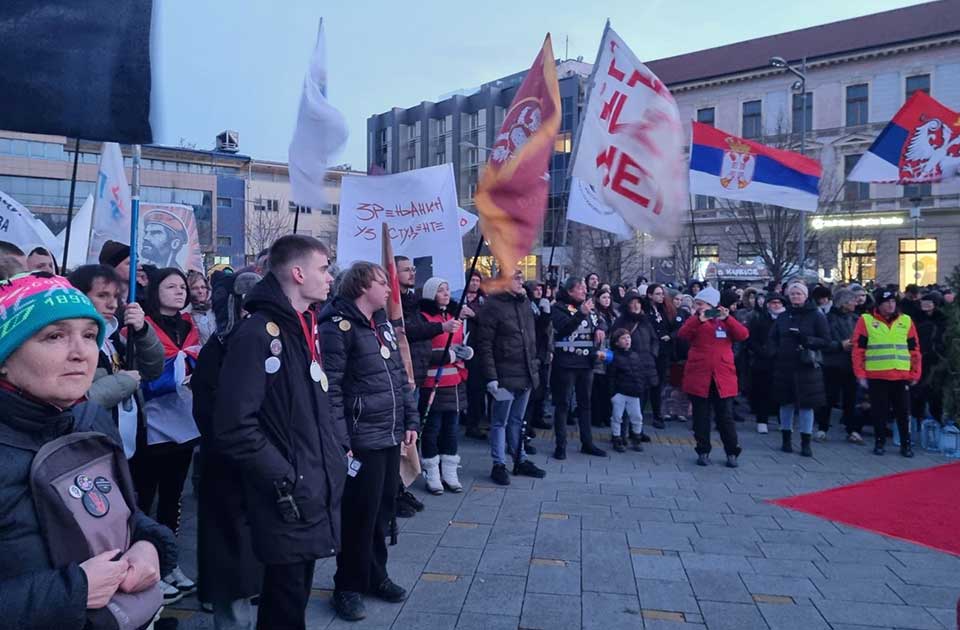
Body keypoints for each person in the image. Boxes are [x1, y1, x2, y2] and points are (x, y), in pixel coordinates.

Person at [0, 272, 176, 629]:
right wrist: (72, 591)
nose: (81, 353)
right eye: (54, 336)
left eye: (90, 335)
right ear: (5, 357)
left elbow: (120, 512)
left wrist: (150, 545)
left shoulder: (90, 418)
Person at [212, 235, 345, 630]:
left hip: (308, 485)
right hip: (285, 493)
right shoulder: (259, 334)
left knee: (292, 597)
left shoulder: (303, 327)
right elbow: (234, 426)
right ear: (298, 272)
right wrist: (286, 476)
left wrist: (334, 456)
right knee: (285, 603)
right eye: (324, 269)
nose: (330, 278)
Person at [319, 261, 419, 622]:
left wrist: (411, 419)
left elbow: (399, 376)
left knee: (382, 512)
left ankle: (377, 575)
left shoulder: (382, 323)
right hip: (362, 439)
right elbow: (331, 389)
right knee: (358, 517)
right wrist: (342, 439)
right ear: (363, 286)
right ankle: (347, 586)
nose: (389, 289)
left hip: (389, 433)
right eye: (382, 282)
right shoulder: (336, 326)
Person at [192, 270, 263, 630]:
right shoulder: (218, 349)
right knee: (229, 545)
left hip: (263, 465)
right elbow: (210, 412)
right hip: (228, 463)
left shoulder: (270, 343)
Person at [133, 267, 201, 598]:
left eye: (183, 287)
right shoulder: (140, 325)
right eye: (171, 286)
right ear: (155, 289)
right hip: (150, 425)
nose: (179, 291)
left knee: (173, 496)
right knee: (145, 496)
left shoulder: (189, 326)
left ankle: (169, 561)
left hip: (184, 422)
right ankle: (145, 565)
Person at [67, 265, 164, 461]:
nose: (112, 304)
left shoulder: (113, 339)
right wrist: (123, 383)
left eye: (115, 296)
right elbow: (71, 403)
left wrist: (143, 331)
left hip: (129, 446)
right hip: (92, 450)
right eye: (102, 295)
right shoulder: (69, 345)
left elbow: (152, 369)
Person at [477, 271, 547, 485]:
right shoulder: (492, 306)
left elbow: (533, 336)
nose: (521, 282)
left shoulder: (524, 302)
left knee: (518, 420)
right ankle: (499, 464)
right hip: (503, 373)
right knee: (500, 422)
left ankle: (519, 458)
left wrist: (545, 314)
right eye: (516, 278)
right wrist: (491, 376)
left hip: (525, 371)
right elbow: (485, 344)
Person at [678, 287, 748, 467]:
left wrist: (728, 318)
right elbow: (682, 335)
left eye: (701, 304)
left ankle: (732, 451)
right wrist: (698, 319)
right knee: (701, 417)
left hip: (722, 377)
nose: (699, 307)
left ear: (712, 305)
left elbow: (742, 335)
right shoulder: (696, 321)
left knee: (725, 417)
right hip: (699, 376)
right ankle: (703, 450)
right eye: (697, 304)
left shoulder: (724, 321)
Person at [414, 277, 469, 495]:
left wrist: (465, 352)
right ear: (431, 294)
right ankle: (432, 472)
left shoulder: (455, 316)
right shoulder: (424, 318)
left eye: (447, 289)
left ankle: (450, 472)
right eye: (441, 290)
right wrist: (448, 355)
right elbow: (422, 352)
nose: (446, 294)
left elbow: (460, 342)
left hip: (455, 382)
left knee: (452, 430)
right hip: (432, 382)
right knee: (432, 429)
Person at [852, 288, 922, 457]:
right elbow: (858, 349)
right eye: (886, 302)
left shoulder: (906, 321)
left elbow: (914, 349)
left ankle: (906, 445)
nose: (890, 305)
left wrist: (915, 373)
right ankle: (879, 442)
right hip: (877, 374)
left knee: (903, 412)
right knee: (879, 412)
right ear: (879, 304)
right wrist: (860, 374)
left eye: (893, 302)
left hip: (901, 375)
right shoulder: (866, 320)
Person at [769, 282, 829, 457]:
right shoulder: (783, 316)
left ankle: (805, 442)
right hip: (784, 366)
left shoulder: (816, 316)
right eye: (792, 294)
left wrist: (806, 340)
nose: (795, 296)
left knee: (806, 406)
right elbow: (773, 337)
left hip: (807, 366)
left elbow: (826, 340)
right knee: (785, 403)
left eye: (798, 294)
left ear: (805, 296)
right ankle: (786, 440)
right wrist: (774, 352)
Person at [551, 277, 606, 459]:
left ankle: (587, 442)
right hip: (566, 363)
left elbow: (601, 318)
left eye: (584, 288)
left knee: (585, 404)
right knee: (563, 404)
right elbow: (564, 328)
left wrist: (600, 326)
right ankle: (561, 445)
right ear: (570, 291)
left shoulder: (589, 307)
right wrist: (581, 313)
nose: (584, 291)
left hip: (586, 363)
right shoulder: (558, 307)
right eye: (580, 288)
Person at [611, 290, 659, 440]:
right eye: (632, 303)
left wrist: (653, 354)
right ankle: (621, 433)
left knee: (641, 400)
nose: (636, 306)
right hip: (628, 365)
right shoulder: (621, 321)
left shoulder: (645, 320)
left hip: (646, 365)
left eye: (638, 302)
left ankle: (636, 430)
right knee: (625, 402)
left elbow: (654, 339)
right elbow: (615, 341)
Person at [817, 288, 862, 443]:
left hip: (852, 364)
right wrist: (839, 345)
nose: (855, 303)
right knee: (829, 397)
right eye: (852, 300)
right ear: (843, 303)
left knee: (852, 398)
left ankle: (852, 429)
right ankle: (822, 428)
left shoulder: (857, 319)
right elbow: (823, 342)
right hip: (833, 364)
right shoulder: (827, 319)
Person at [606, 328, 655, 452]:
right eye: (623, 338)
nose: (627, 340)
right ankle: (617, 439)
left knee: (637, 417)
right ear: (616, 342)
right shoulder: (614, 357)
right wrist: (613, 394)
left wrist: (641, 387)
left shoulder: (635, 355)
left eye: (628, 337)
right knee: (617, 417)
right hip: (620, 393)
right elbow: (611, 376)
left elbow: (640, 372)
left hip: (634, 393)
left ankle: (636, 439)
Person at [747, 292, 783, 434]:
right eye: (773, 303)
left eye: (779, 303)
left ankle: (783, 421)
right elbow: (751, 340)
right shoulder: (759, 319)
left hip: (782, 361)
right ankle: (762, 420)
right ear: (768, 305)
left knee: (782, 392)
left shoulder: (787, 319)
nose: (776, 305)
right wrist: (761, 351)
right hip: (763, 361)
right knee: (763, 391)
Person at [911, 291, 946, 422]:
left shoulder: (942, 320)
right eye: (923, 302)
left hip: (936, 360)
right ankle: (916, 420)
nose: (925, 305)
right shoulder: (916, 319)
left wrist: (939, 351)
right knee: (917, 391)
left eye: (928, 303)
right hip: (919, 358)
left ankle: (935, 419)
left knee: (935, 392)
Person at [523, 280, 554, 431]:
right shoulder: (528, 306)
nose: (539, 292)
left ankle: (537, 417)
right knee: (532, 392)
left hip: (544, 352)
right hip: (532, 352)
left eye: (541, 289)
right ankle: (527, 425)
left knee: (542, 389)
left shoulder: (542, 305)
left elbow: (548, 331)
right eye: (535, 289)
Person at [645, 284, 675, 428]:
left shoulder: (665, 310)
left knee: (659, 383)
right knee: (648, 382)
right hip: (649, 351)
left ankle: (657, 414)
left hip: (663, 352)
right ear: (650, 295)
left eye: (662, 294)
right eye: (657, 294)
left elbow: (674, 327)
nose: (661, 296)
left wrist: (669, 336)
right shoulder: (645, 310)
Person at [461, 270, 486, 440]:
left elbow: (490, 322)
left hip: (476, 351)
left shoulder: (484, 301)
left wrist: (474, 315)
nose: (475, 283)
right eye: (472, 280)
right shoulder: (458, 299)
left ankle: (474, 423)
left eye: (478, 280)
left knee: (476, 389)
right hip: (457, 348)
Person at [591, 287, 617, 428]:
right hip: (598, 352)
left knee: (608, 388)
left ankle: (607, 415)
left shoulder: (614, 314)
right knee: (597, 388)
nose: (606, 300)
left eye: (608, 298)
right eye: (603, 298)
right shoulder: (595, 314)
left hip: (611, 352)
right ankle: (596, 417)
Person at [187, 270, 217, 345]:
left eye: (203, 287)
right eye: (195, 288)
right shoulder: (186, 313)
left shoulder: (216, 308)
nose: (200, 291)